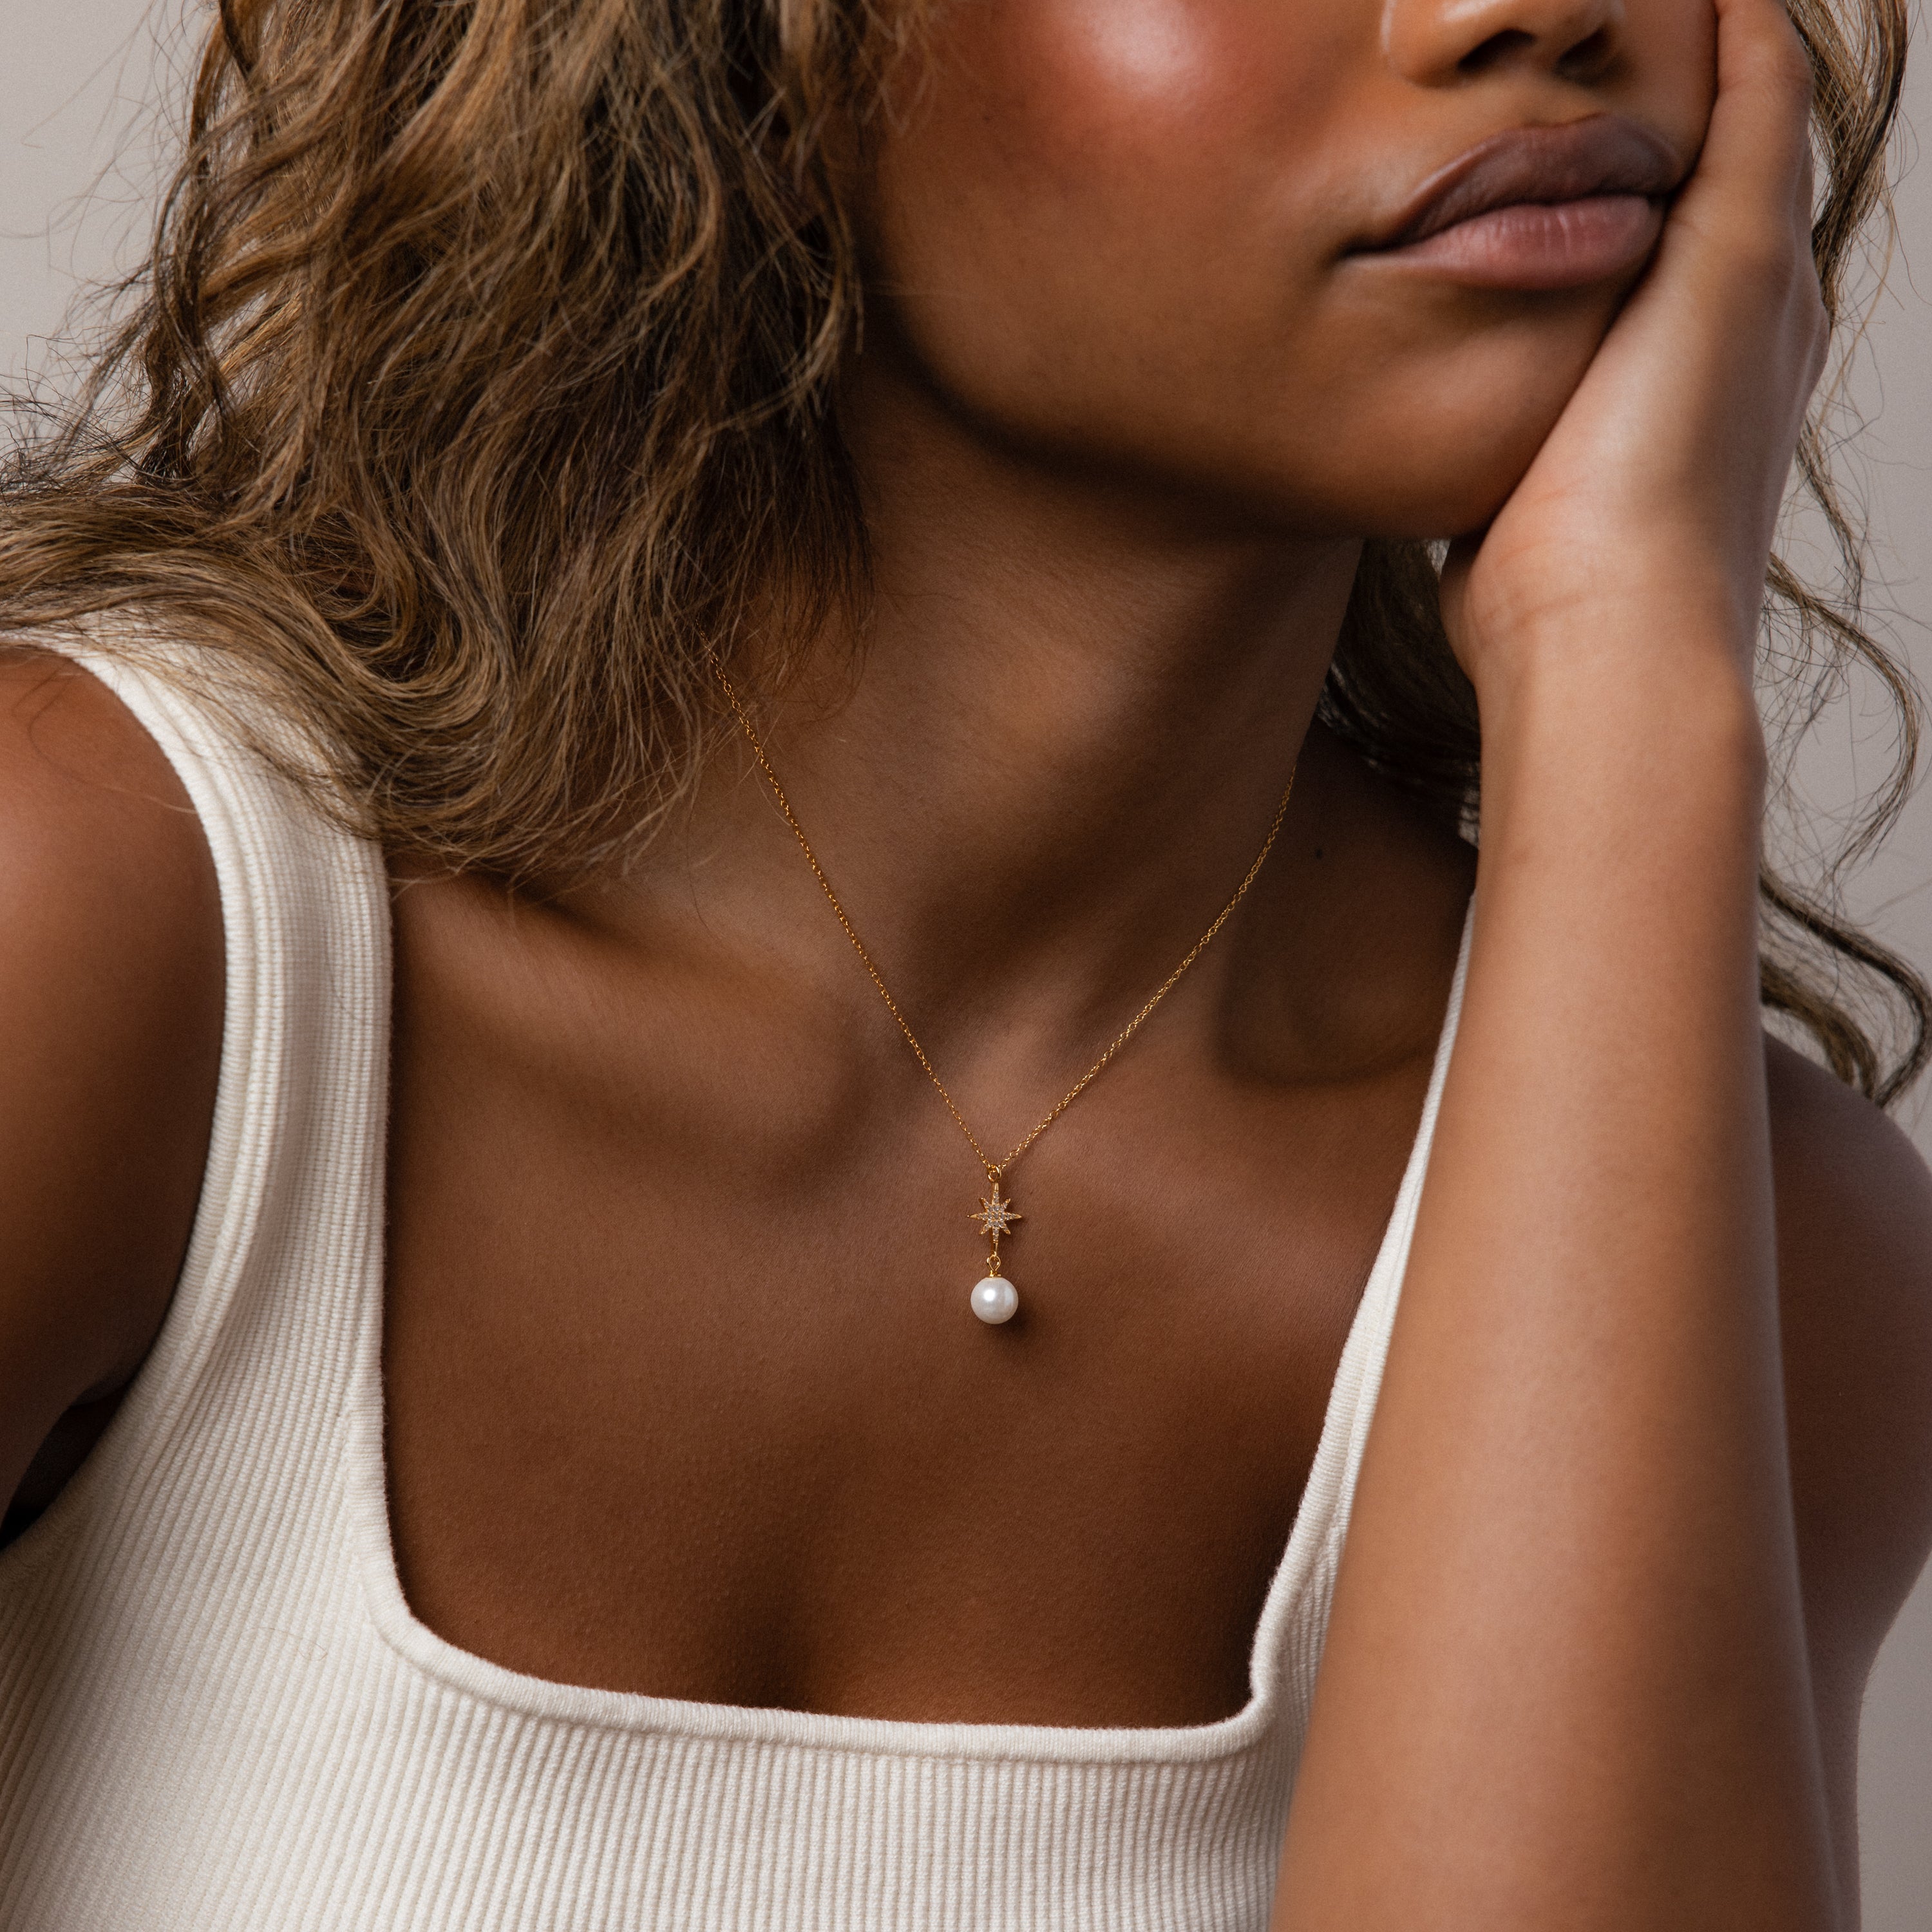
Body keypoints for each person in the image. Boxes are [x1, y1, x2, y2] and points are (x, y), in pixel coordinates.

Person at [0, 0, 1928, 1924]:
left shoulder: (1759, 1255)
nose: (1534, 7)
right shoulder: (107, 920)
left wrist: (1627, 675)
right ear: (750, 72)